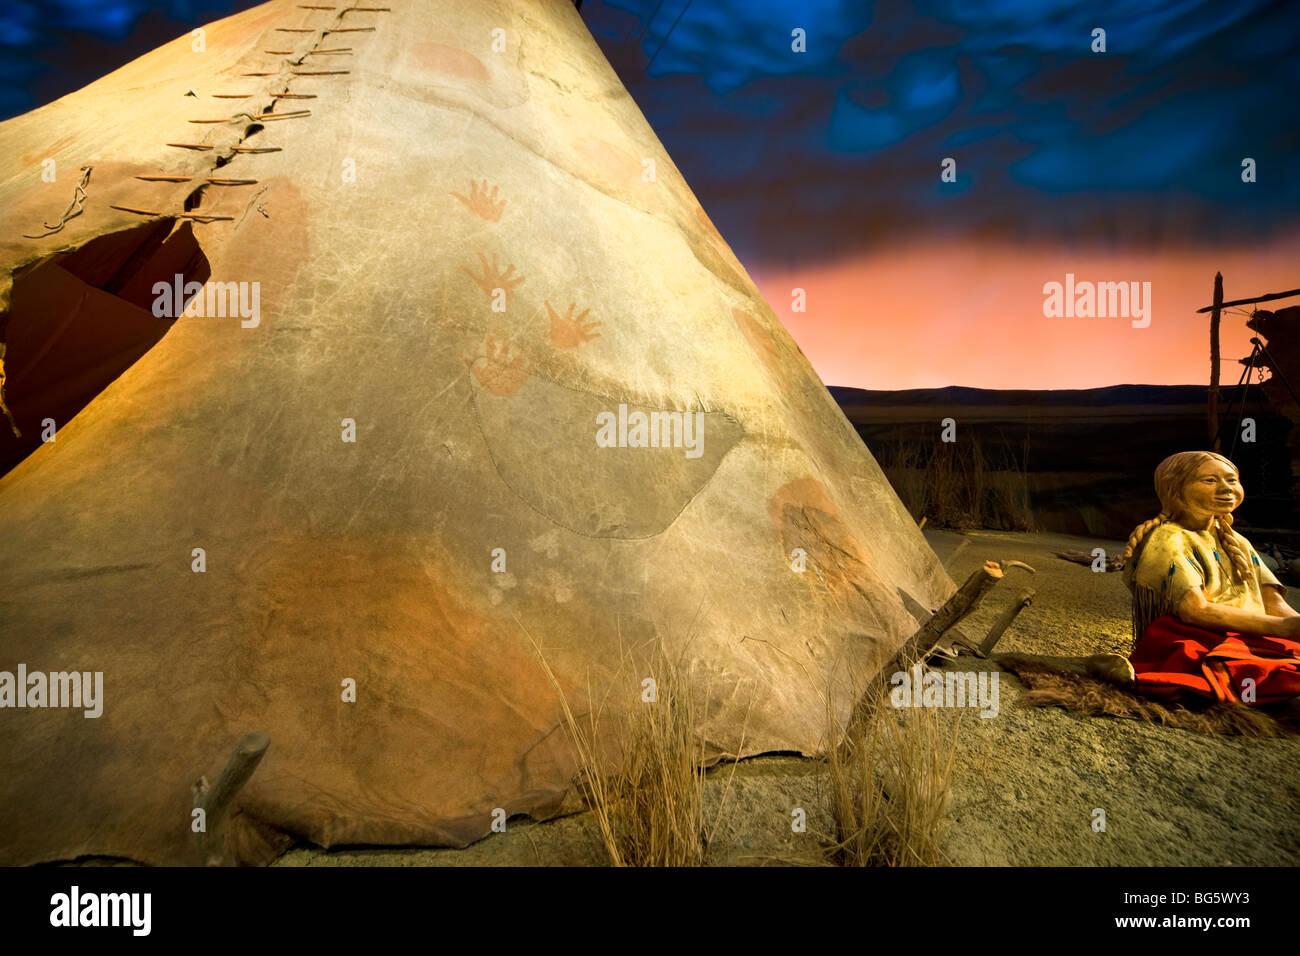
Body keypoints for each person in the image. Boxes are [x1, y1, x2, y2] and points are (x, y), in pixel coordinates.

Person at [1097, 450, 1300, 707]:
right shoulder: (1168, 539)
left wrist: (1294, 624)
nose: (1226, 488)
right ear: (1174, 488)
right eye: (1210, 480)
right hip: (1200, 634)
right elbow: (1195, 610)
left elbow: (1273, 603)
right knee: (1251, 671)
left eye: (1231, 480)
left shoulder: (1238, 542)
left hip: (1253, 631)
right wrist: (1284, 629)